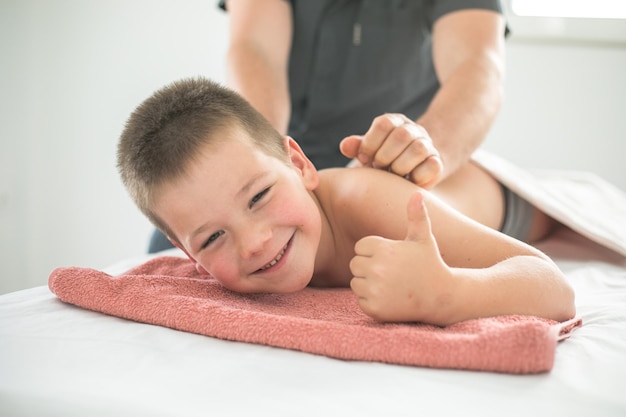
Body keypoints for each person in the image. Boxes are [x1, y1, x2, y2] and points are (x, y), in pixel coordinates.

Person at [118, 77, 575, 326]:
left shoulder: (370, 204)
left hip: (510, 204)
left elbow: (553, 287)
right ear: (186, 255)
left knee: (561, 218)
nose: (254, 242)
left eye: (259, 195)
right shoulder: (235, 263)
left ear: (300, 166)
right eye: (213, 237)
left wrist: (447, 294)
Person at [148, 0, 509, 252]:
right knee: (163, 257)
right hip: (279, 162)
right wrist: (261, 165)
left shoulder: (386, 195)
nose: (255, 245)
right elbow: (254, 48)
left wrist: (421, 152)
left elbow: (478, 66)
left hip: (391, 167)